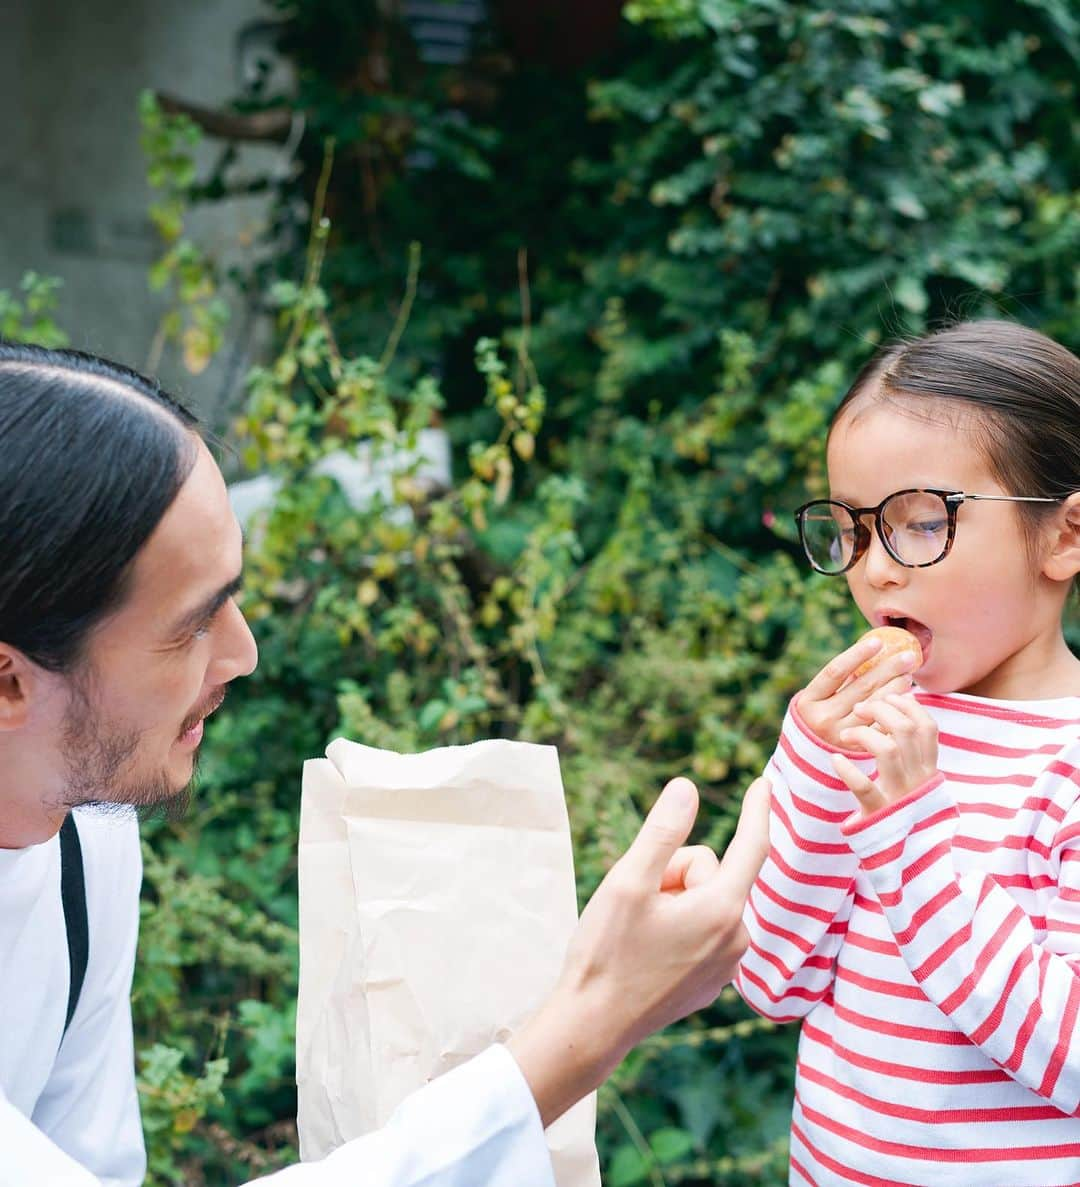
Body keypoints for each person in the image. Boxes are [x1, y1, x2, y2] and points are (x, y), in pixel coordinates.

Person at [0, 341, 771, 1186]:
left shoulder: (84, 833)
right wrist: (590, 1024)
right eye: (192, 624)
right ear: (9, 681)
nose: (245, 654)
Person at [734, 320, 1080, 1185]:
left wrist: (916, 837)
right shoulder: (870, 736)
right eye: (850, 529)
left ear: (1066, 537)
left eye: (920, 523)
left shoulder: (1066, 766)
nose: (874, 571)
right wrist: (814, 768)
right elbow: (773, 980)